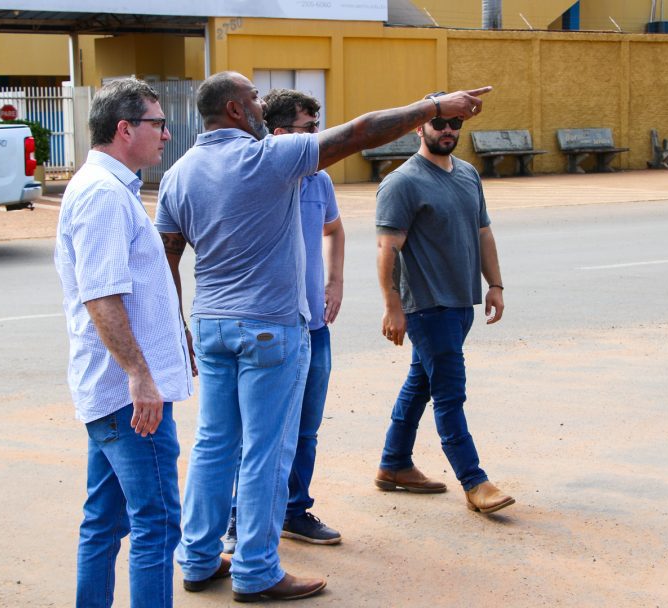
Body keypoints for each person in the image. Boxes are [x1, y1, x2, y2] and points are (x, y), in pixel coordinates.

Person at [156, 71, 489, 603]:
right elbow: (360, 132)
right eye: (254, 98)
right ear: (237, 111)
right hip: (270, 328)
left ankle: (198, 557)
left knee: (214, 445)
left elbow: (168, 257)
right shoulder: (266, 157)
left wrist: (177, 328)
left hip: (212, 324)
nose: (263, 105)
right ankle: (258, 570)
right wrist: (433, 105)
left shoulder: (178, 173)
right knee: (266, 451)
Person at [53, 78, 194, 608]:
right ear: (124, 128)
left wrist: (175, 340)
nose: (166, 134)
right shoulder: (102, 194)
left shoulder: (112, 189)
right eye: (158, 124)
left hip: (119, 392)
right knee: (156, 523)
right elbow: (102, 296)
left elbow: (131, 291)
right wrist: (140, 374)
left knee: (104, 522)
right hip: (129, 397)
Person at [373, 92, 515, 515]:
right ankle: (474, 482)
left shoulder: (468, 174)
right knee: (451, 394)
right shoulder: (402, 182)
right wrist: (393, 306)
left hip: (461, 304)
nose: (449, 131)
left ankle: (393, 463)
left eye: (456, 124)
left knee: (421, 384)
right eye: (440, 124)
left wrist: (496, 284)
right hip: (427, 308)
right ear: (420, 126)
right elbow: (387, 249)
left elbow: (483, 232)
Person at [220, 88, 345, 554]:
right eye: (311, 130)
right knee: (253, 433)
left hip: (314, 328)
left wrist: (335, 281)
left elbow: (334, 229)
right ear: (279, 135)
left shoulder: (320, 182)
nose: (320, 138)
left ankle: (294, 510)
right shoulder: (258, 182)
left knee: (305, 428)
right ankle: (237, 519)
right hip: (267, 326)